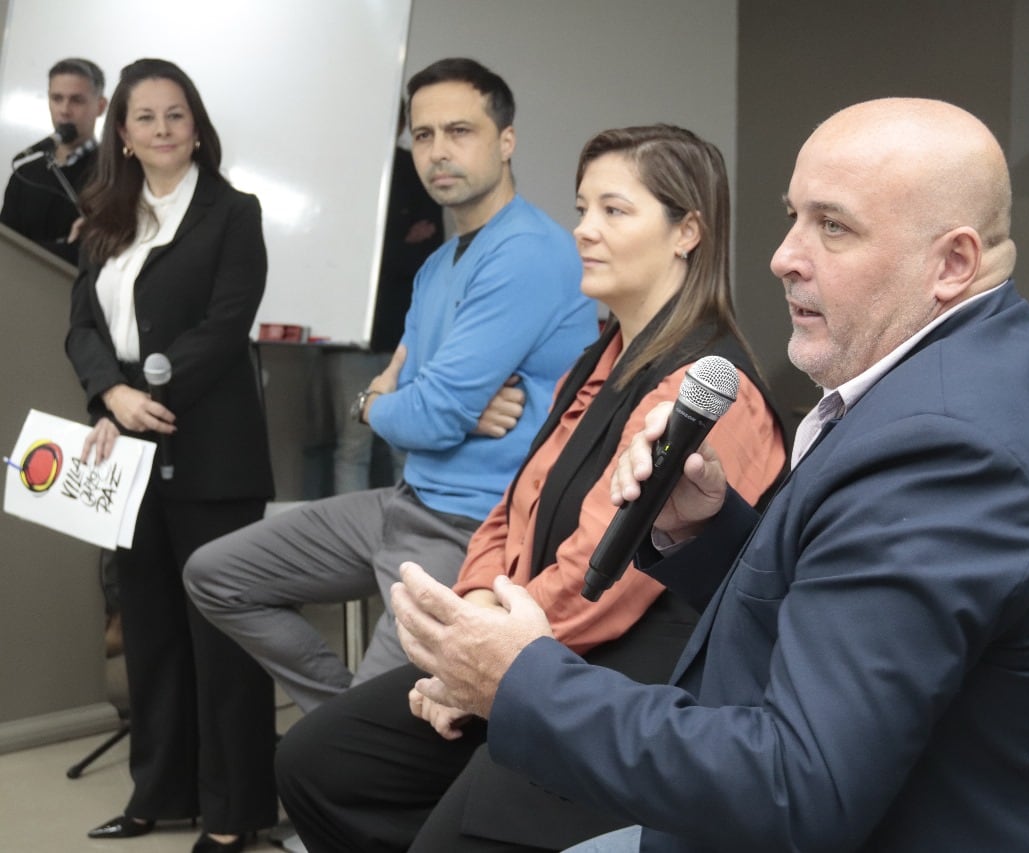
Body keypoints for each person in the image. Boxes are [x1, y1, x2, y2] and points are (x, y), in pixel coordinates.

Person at [385, 98, 1029, 852]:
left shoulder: (946, 448)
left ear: (953, 263)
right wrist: (706, 529)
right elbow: (840, 598)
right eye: (793, 216)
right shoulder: (952, 367)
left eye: (832, 226)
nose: (784, 256)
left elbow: (795, 786)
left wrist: (520, 680)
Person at [275, 123, 788, 853]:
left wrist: (473, 660)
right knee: (316, 761)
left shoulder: (709, 390)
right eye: (582, 209)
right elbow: (512, 506)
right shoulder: (599, 355)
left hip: (625, 685)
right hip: (533, 643)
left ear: (687, 232)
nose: (584, 230)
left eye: (614, 210)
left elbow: (598, 579)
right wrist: (478, 606)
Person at [184, 58, 597, 713]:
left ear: (506, 140)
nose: (437, 151)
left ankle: (351, 736)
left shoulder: (528, 252)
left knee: (350, 745)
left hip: (473, 524)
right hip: (407, 498)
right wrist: (394, 403)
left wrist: (382, 405)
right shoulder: (437, 266)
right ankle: (349, 718)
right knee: (216, 574)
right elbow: (418, 400)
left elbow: (425, 411)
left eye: (459, 131)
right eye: (423, 135)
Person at [65, 58, 277, 853]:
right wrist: (109, 397)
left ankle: (235, 810)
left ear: (197, 126)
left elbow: (225, 327)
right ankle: (161, 792)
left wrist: (146, 394)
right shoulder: (105, 217)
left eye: (175, 115)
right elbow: (82, 326)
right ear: (121, 132)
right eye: (145, 117)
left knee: (222, 640)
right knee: (150, 630)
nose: (161, 130)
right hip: (123, 448)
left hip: (210, 453)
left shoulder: (234, 212)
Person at [325, 100, 445, 495]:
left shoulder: (419, 173)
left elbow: (430, 254)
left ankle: (400, 527)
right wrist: (399, 243)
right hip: (347, 335)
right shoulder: (344, 173)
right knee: (352, 443)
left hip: (406, 335)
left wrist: (388, 249)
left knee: (403, 444)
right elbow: (342, 254)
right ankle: (347, 534)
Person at [1, 57, 107, 263]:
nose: (64, 110)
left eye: (76, 100)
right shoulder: (25, 174)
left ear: (100, 106)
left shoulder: (113, 173)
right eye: (57, 98)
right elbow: (6, 247)